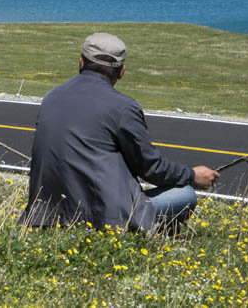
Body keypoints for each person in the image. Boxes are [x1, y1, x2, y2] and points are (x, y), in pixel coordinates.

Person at [20, 32, 219, 233]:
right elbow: (151, 169)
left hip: (45, 215)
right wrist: (191, 175)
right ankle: (147, 240)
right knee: (185, 195)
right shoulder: (123, 107)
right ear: (122, 71)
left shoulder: (51, 97)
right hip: (102, 219)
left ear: (80, 62)